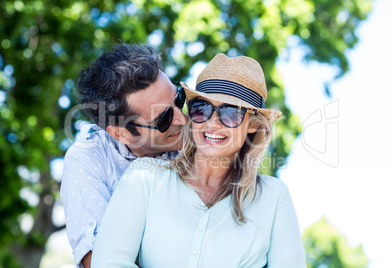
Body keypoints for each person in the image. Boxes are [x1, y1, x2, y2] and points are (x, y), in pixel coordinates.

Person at [91, 53, 306, 267]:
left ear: (253, 125)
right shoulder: (144, 178)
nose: (212, 123)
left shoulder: (274, 198)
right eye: (201, 108)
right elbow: (109, 262)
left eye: (230, 113)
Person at [60, 43, 188, 268]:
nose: (182, 120)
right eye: (164, 119)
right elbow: (98, 260)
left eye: (179, 99)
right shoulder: (87, 159)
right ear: (122, 134)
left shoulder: (203, 136)